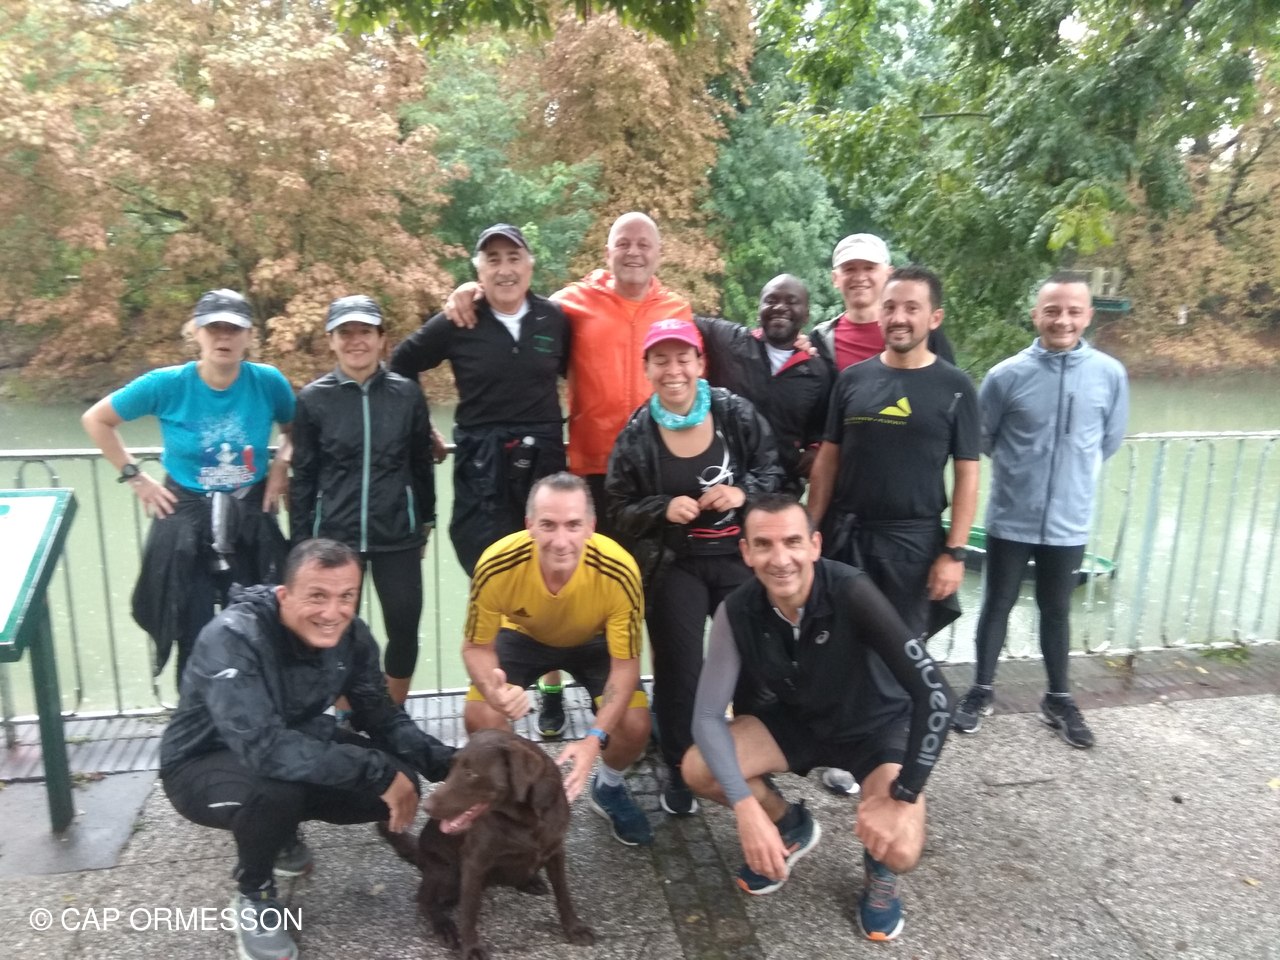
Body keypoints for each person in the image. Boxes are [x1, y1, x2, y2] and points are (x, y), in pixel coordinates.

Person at [159, 538, 456, 960]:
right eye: (317, 596)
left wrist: (453, 768)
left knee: (403, 780)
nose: (333, 612)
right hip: (199, 762)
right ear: (284, 595)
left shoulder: (352, 635)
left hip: (293, 743)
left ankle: (277, 831)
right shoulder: (232, 637)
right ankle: (255, 894)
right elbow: (263, 748)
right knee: (279, 789)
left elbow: (383, 717)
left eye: (346, 597)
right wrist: (373, 770)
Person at [682, 495, 954, 942]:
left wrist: (904, 793)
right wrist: (745, 807)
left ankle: (880, 871)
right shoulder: (737, 609)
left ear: (815, 545)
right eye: (764, 545)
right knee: (698, 767)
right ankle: (789, 823)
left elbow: (936, 695)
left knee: (902, 849)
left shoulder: (851, 590)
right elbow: (708, 717)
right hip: (800, 721)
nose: (780, 559)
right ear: (746, 552)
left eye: (792, 542)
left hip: (875, 726)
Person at [806, 266, 977, 795]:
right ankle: (845, 750)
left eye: (911, 308)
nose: (899, 317)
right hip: (847, 535)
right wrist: (809, 530)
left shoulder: (955, 387)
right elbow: (827, 463)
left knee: (899, 653)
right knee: (844, 646)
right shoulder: (853, 380)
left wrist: (954, 552)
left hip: (912, 543)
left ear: (934, 317)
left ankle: (894, 758)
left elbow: (968, 475)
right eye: (891, 307)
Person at [605, 318, 784, 816]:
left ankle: (752, 762)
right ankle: (681, 766)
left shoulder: (735, 413)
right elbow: (617, 507)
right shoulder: (637, 433)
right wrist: (661, 507)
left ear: (701, 363)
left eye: (683, 358)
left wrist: (743, 493)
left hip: (736, 558)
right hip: (675, 564)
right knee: (680, 672)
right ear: (646, 369)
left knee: (753, 664)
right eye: (660, 360)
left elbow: (774, 470)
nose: (673, 370)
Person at [952, 275, 1129, 748]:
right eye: (1052, 310)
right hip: (1012, 515)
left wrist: (1070, 477)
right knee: (997, 603)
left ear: (1088, 316)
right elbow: (983, 438)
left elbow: (1108, 440)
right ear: (1036, 315)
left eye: (1073, 311)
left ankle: (1058, 698)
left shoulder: (1110, 374)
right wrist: (1024, 473)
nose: (1062, 320)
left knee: (1056, 610)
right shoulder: (1005, 376)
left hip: (1070, 520)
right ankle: (981, 690)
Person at [81, 289, 294, 683]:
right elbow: (96, 419)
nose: (223, 337)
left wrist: (281, 464)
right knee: (190, 625)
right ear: (196, 332)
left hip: (249, 514)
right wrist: (135, 476)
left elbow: (294, 429)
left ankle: (256, 707)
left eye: (234, 329)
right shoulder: (167, 384)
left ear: (250, 336)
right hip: (184, 515)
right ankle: (195, 711)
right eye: (214, 328)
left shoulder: (267, 382)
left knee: (258, 622)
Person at [442, 212, 691, 526]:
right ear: (607, 253)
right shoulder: (570, 304)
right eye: (623, 244)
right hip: (594, 468)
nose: (633, 252)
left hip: (660, 464)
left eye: (644, 244)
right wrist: (471, 290)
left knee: (655, 556)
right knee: (590, 555)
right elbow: (516, 304)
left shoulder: (678, 310)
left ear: (659, 253)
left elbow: (695, 385)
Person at [461, 473, 655, 847]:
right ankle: (517, 797)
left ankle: (609, 787)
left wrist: (594, 738)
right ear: (529, 525)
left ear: (591, 527)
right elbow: (475, 647)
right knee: (480, 716)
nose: (561, 540)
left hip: (594, 639)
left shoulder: (620, 569)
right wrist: (494, 690)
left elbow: (625, 665)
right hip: (523, 634)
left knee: (635, 724)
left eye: (573, 525)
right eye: (548, 525)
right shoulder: (496, 563)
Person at [390, 224, 568, 578]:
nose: (505, 270)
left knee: (551, 561)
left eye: (514, 258)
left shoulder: (554, 319)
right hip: (481, 462)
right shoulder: (460, 319)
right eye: (493, 260)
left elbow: (581, 372)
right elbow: (401, 363)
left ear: (529, 265)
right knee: (488, 565)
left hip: (543, 459)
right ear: (479, 270)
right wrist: (423, 427)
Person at [290, 295, 435, 705]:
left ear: (381, 339)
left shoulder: (407, 394)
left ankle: (392, 712)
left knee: (403, 627)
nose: (356, 341)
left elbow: (420, 462)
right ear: (331, 341)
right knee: (333, 629)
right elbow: (304, 475)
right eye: (345, 333)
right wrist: (300, 543)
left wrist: (425, 519)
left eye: (365, 332)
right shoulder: (313, 399)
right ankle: (343, 713)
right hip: (335, 536)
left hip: (397, 532)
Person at [695, 275, 833, 495]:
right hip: (722, 483)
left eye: (791, 301)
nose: (780, 307)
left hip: (780, 489)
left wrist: (814, 449)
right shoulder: (727, 341)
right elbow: (678, 317)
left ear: (806, 315)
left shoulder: (818, 372)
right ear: (758, 309)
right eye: (771, 300)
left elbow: (820, 425)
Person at [812, 233, 955, 372]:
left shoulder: (922, 332)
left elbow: (947, 381)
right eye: (849, 269)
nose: (860, 277)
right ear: (835, 278)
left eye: (869, 268)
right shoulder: (821, 340)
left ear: (889, 274)